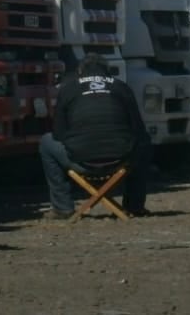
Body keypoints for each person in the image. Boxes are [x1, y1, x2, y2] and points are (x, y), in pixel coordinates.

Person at [40, 54, 151, 218]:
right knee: (144, 141)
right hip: (120, 159)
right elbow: (138, 129)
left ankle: (62, 207)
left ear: (80, 71)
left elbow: (58, 133)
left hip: (81, 160)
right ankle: (134, 205)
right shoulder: (121, 87)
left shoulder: (68, 88)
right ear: (107, 72)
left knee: (46, 141)